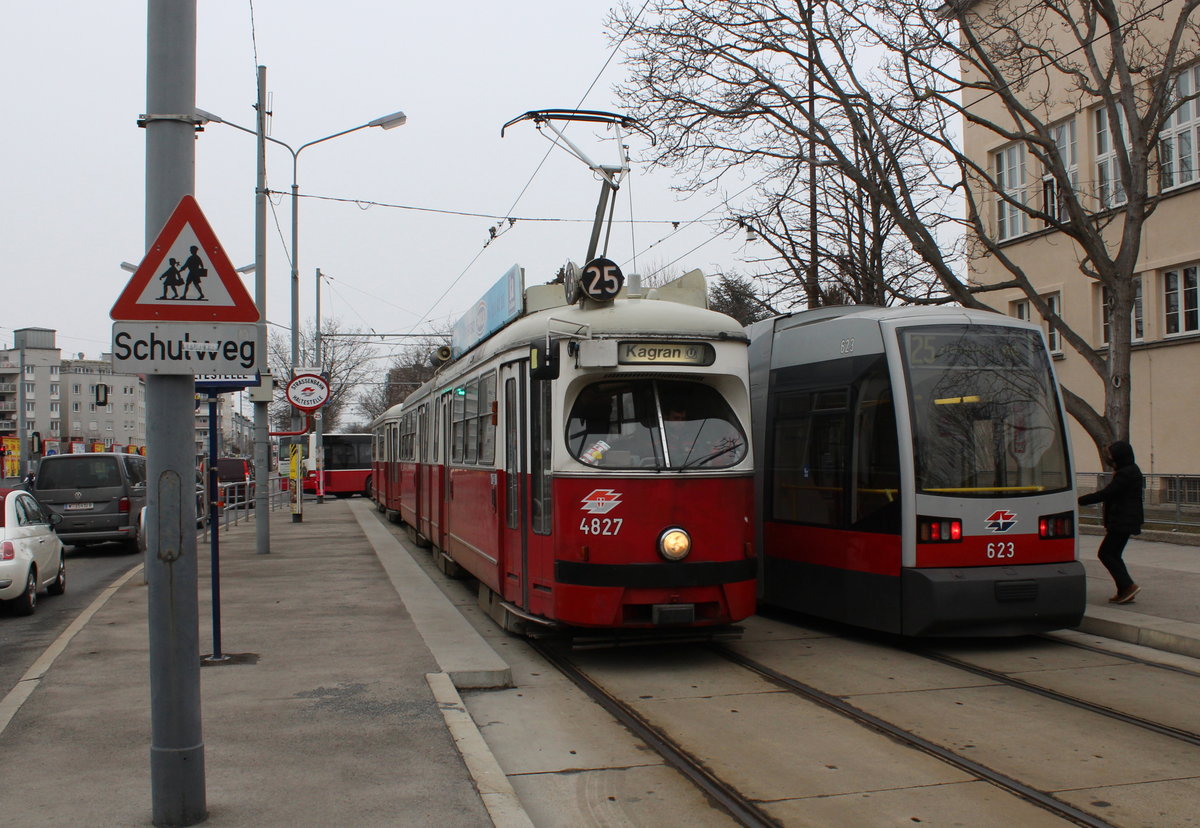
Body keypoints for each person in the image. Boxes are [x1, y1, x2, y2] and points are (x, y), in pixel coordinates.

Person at [1078, 440, 1144, 604]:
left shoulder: (1125, 473)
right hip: (1123, 520)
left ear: (1119, 456)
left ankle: (1128, 586)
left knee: (1106, 553)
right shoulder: (1129, 470)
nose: (1109, 458)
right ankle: (1124, 590)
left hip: (1122, 521)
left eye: (1111, 455)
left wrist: (1080, 500)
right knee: (1113, 554)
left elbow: (1108, 493)